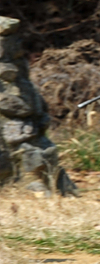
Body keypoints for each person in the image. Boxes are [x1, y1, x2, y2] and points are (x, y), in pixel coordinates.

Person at [0, 16, 78, 198]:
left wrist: (39, 113)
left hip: (27, 133)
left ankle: (47, 180)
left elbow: (27, 102)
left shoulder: (18, 72)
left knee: (37, 148)